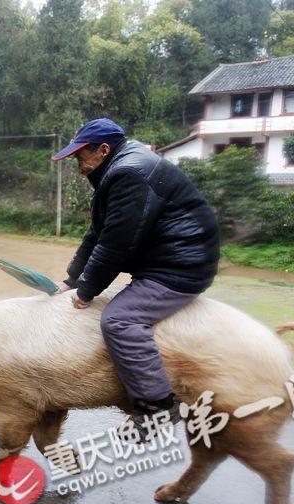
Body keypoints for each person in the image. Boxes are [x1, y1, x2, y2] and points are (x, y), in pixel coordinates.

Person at [51, 118, 219, 441]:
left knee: (119, 320)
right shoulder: (119, 169)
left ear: (102, 150)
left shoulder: (128, 174)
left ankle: (157, 407)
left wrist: (86, 291)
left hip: (182, 265)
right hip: (172, 257)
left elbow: (115, 244)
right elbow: (97, 234)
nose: (78, 165)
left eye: (80, 156)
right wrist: (72, 280)